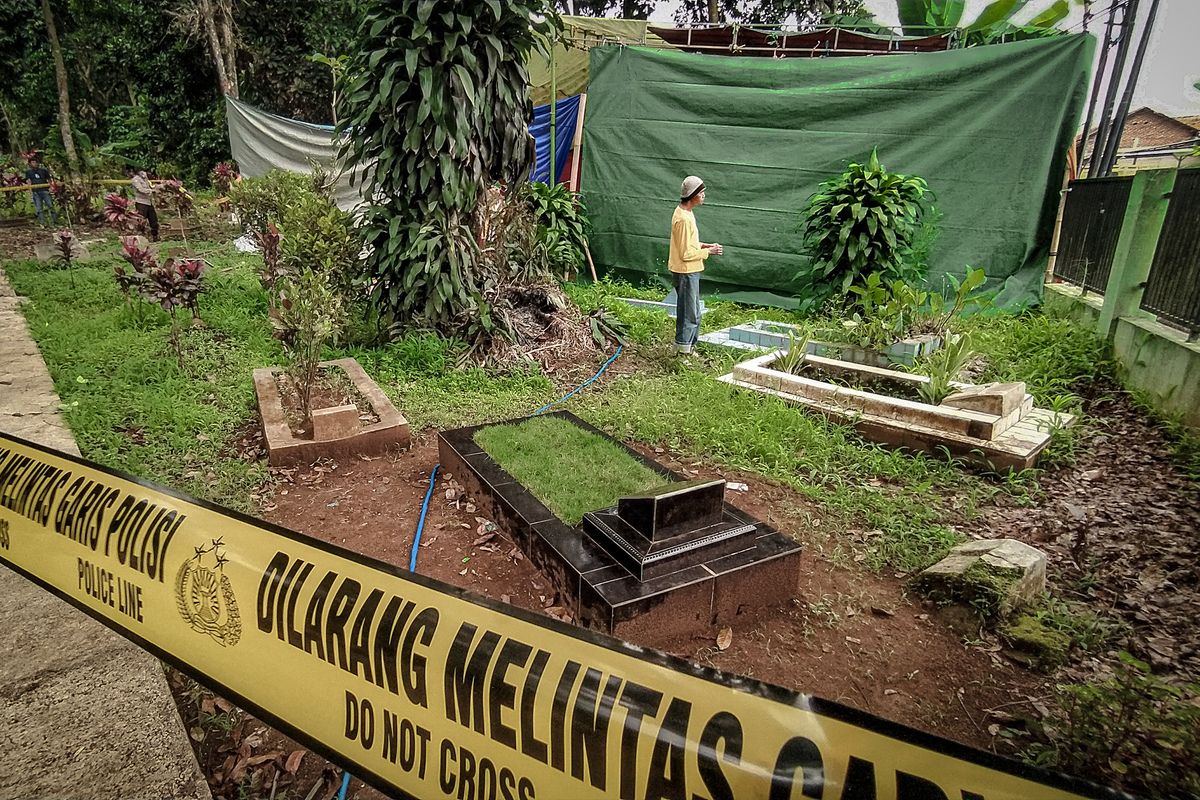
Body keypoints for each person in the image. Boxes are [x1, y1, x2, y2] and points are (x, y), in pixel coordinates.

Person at [668, 175, 722, 355]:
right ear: (693, 195)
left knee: (691, 311)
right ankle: (684, 352)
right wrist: (709, 252)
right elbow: (685, 254)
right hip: (686, 271)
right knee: (689, 313)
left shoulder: (686, 213)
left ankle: (685, 346)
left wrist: (703, 245)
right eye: (702, 192)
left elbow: (686, 244)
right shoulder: (683, 219)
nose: (704, 195)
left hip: (689, 270)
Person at [24, 156, 58, 227]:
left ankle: (54, 222)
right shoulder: (28, 172)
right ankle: (42, 223)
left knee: (50, 206)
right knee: (39, 208)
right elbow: (28, 181)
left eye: (35, 162)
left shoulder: (43, 171)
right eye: (32, 162)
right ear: (30, 164)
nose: (34, 164)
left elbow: (49, 179)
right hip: (36, 192)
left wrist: (51, 188)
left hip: (45, 190)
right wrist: (30, 191)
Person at [128, 165, 159, 241]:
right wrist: (151, 191)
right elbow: (141, 189)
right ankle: (141, 238)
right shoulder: (135, 180)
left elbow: (149, 185)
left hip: (149, 202)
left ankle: (155, 236)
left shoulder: (144, 177)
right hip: (141, 202)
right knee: (141, 221)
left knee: (153, 220)